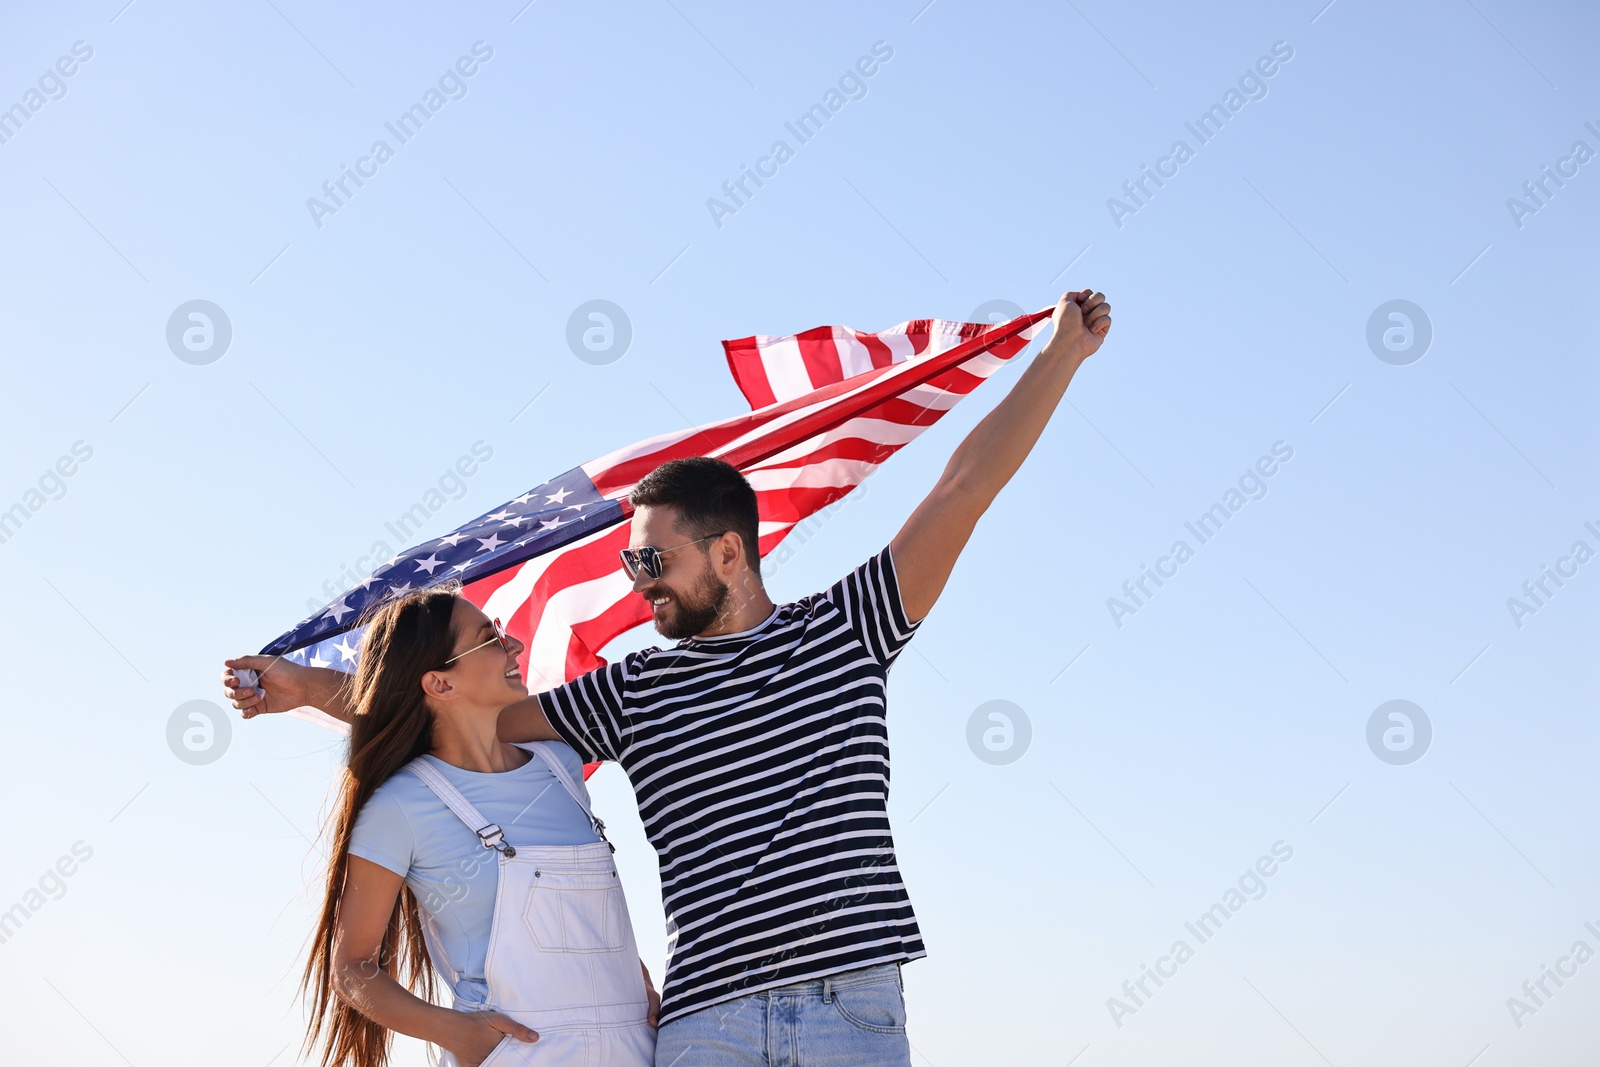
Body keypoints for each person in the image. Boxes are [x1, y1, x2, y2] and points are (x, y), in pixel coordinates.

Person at [227, 288, 1112, 1065]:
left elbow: (962, 490)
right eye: (627, 558)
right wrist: (307, 688)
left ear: (729, 551)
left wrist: (1060, 356)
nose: (637, 577)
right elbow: (454, 710)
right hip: (703, 1027)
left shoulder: (848, 629)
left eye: (652, 556)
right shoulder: (634, 691)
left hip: (853, 1016)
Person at [228, 587, 660, 1067]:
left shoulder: (560, 763)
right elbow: (352, 969)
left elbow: (581, 920)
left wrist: (633, 981)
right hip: (519, 1055)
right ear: (440, 684)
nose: (514, 646)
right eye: (490, 639)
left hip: (637, 1051)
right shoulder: (402, 805)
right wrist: (459, 1034)